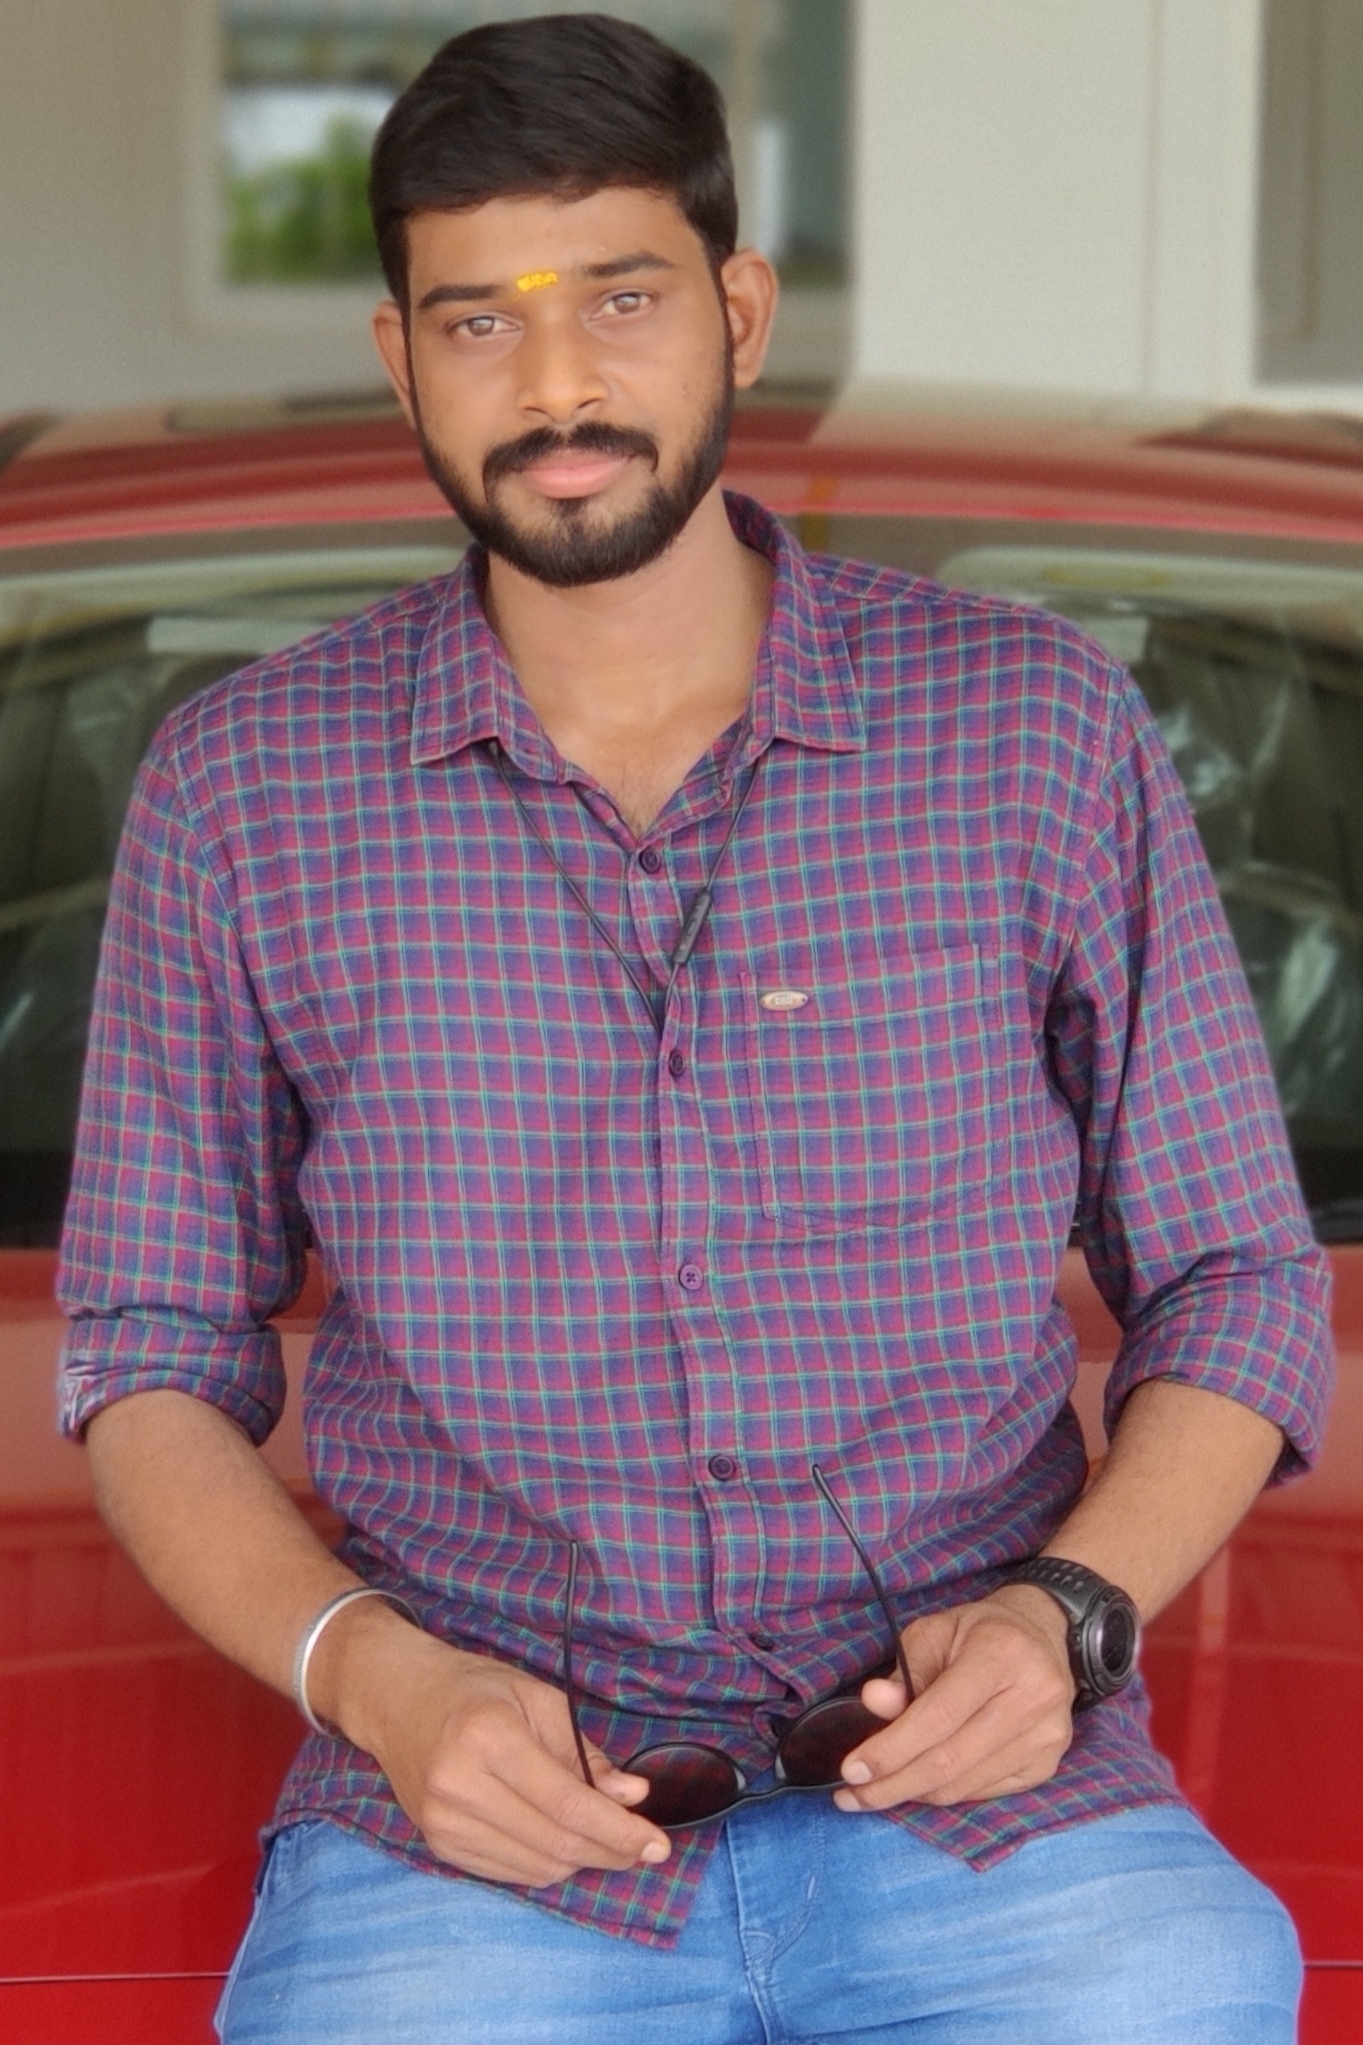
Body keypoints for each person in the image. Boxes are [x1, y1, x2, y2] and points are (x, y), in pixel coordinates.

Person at [58, 14, 1331, 2042]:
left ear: (735, 310)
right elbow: (144, 1349)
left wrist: (1065, 1615)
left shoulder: (1033, 735)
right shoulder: (244, 794)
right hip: (469, 1826)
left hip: (990, 1799)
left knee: (1188, 1991)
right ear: (400, 358)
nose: (555, 383)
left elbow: (1240, 1272)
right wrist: (381, 1681)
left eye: (621, 298)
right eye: (479, 322)